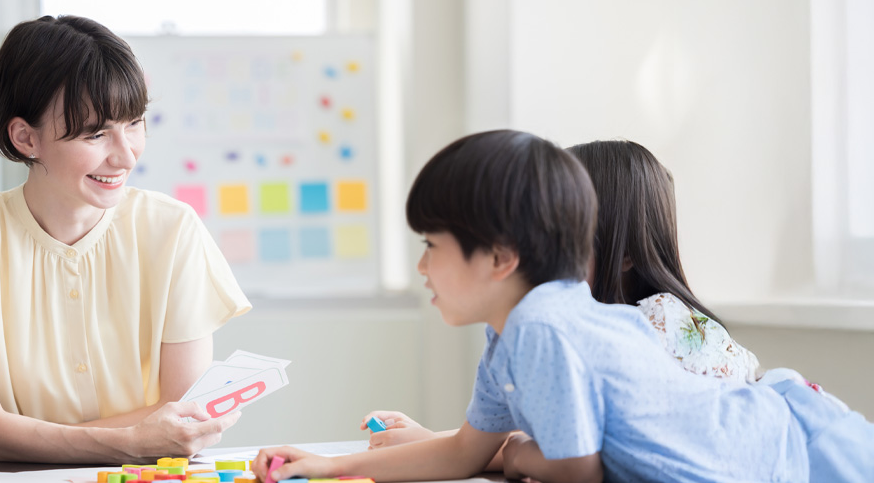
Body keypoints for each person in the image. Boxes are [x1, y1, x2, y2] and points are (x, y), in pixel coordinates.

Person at [252, 130, 873, 482]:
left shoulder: (547, 326)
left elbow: (575, 470)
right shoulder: (509, 338)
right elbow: (465, 450)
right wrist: (328, 466)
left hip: (798, 448)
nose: (420, 268)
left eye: (432, 247)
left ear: (499, 258)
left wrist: (518, 451)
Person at [0, 15, 249, 464]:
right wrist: (133, 439)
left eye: (134, 123)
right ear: (25, 137)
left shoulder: (173, 229)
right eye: (96, 133)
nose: (126, 153)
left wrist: (15, 435)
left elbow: (182, 417)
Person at [362, 139, 761, 452]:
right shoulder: (555, 331)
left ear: (623, 254)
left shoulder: (656, 325)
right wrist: (442, 441)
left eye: (562, 237)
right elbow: (553, 434)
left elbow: (579, 455)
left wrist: (439, 443)